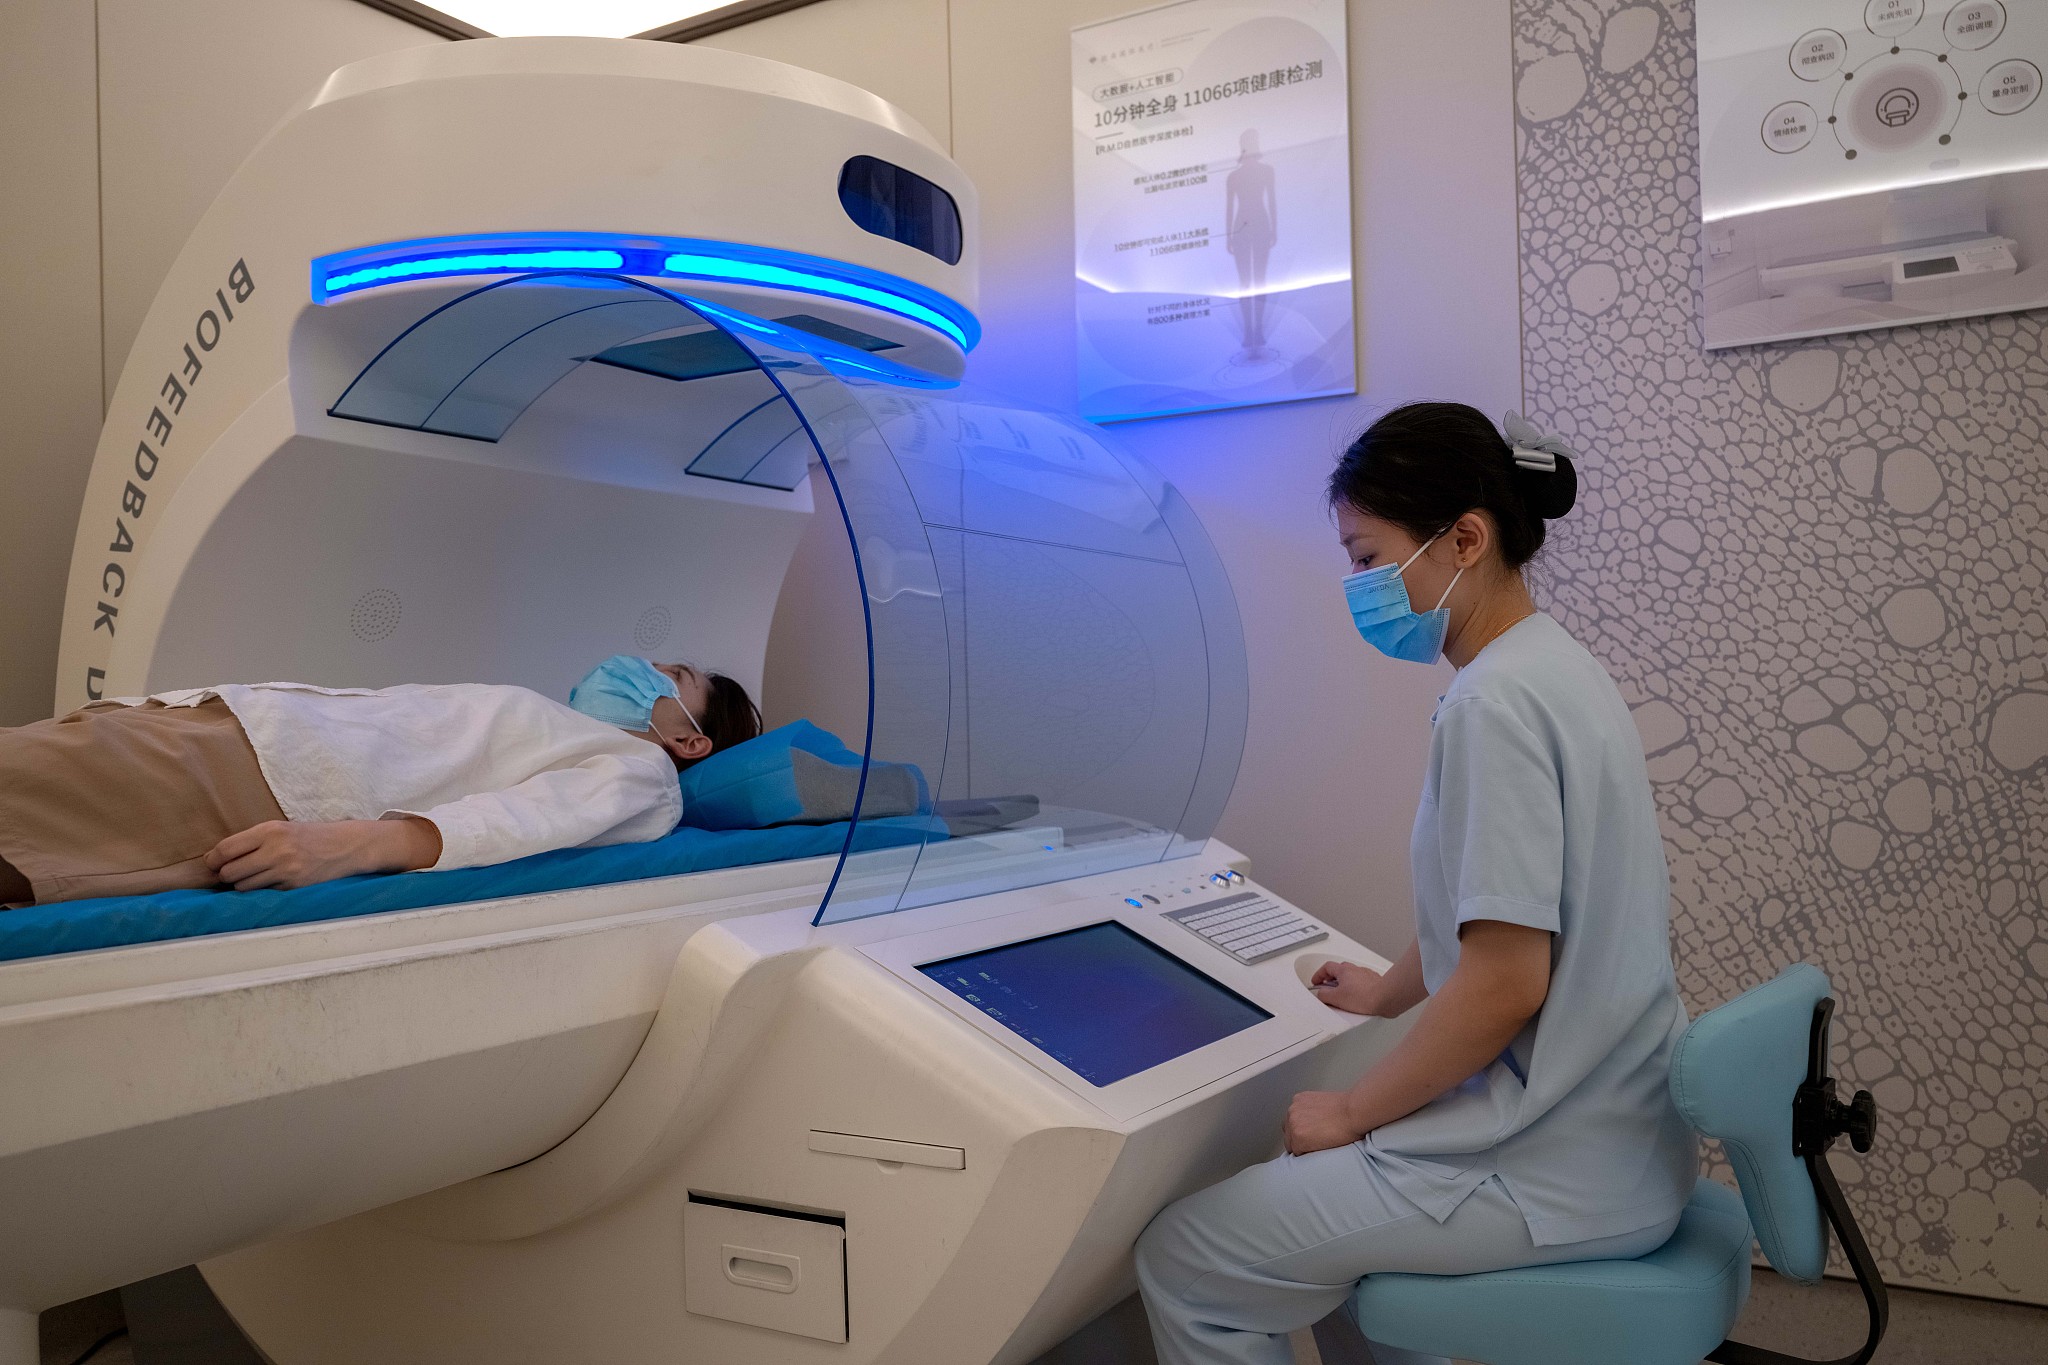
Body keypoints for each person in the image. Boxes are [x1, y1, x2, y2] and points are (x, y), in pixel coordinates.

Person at [1135, 403, 1698, 1365]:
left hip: (1553, 1165)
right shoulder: (1554, 667)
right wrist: (1391, 990)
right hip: (1625, 1138)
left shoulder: (1492, 705)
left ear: (1465, 540)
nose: (1356, 585)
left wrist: (1352, 1113)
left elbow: (1508, 979)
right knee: (1331, 1231)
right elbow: (1500, 909)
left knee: (1185, 1256)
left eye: (1366, 557)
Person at [0, 656, 760, 908]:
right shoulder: (567, 727)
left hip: (259, 784)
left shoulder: (646, 773)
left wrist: (343, 848)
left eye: (672, 674)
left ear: (689, 738)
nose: (643, 666)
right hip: (234, 729)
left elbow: (516, 821)